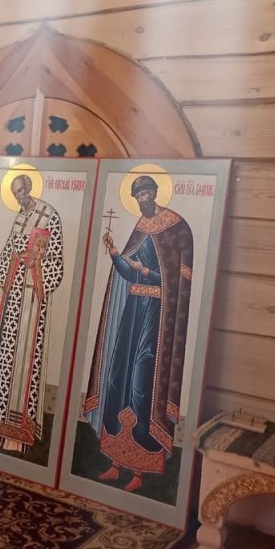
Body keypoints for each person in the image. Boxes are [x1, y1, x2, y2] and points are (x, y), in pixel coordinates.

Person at [83, 175, 193, 494]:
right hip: (131, 313)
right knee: (117, 378)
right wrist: (115, 254)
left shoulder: (175, 227)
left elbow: (173, 280)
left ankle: (140, 470)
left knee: (142, 384)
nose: (142, 199)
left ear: (154, 193)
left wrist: (145, 271)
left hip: (156, 318)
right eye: (137, 196)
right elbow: (127, 272)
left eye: (145, 193)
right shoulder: (140, 228)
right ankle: (115, 462)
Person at [0, 174, 63, 454]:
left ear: (30, 188)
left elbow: (56, 261)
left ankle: (18, 433)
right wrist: (14, 262)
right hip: (14, 298)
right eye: (15, 193)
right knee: (5, 358)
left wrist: (35, 263)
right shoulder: (19, 218)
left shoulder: (49, 215)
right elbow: (7, 255)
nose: (19, 196)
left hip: (33, 299)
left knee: (25, 360)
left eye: (22, 190)